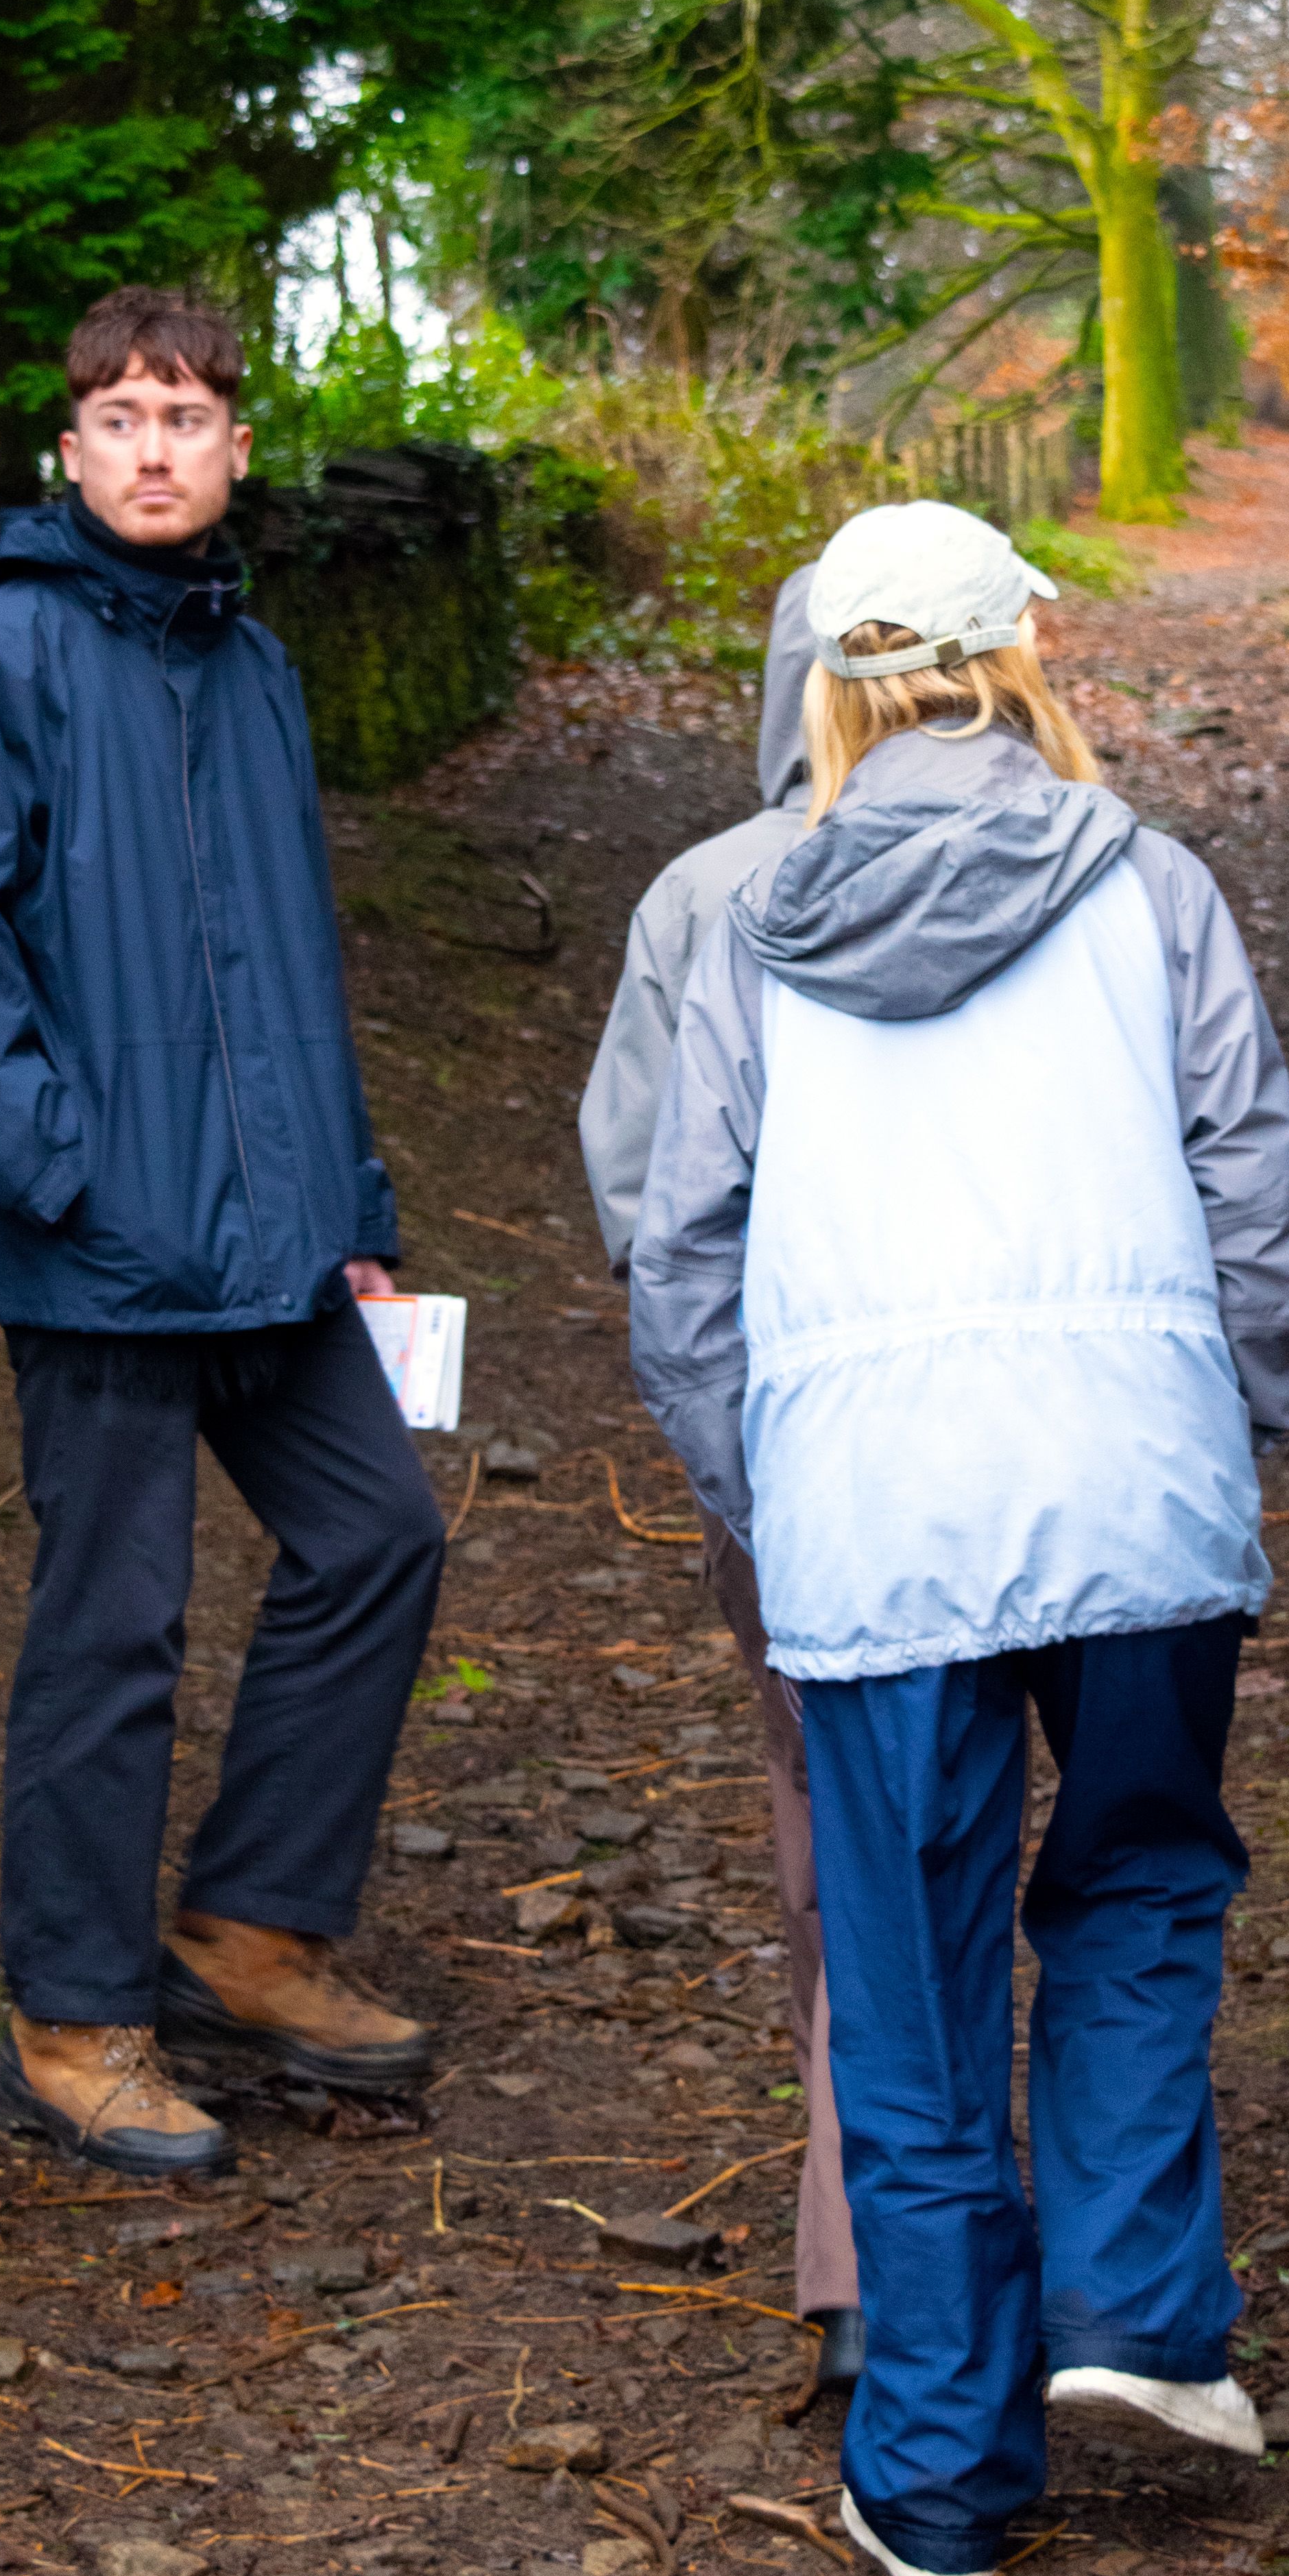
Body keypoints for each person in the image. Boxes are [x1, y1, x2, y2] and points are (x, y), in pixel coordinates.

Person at [628, 502, 1289, 2576]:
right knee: (1136, 1886)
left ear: (827, 684)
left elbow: (686, 1255)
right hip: (1135, 1491)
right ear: (1030, 658)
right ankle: (1137, 2320)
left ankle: (934, 2478)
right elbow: (1255, 1191)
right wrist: (1230, 1427)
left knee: (914, 1985)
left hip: (876, 1522)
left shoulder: (750, 919)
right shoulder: (1157, 889)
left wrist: (763, 1495)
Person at [0, 288, 444, 2180]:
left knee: (377, 1537)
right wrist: (59, 1167)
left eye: (183, 415)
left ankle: (247, 1927)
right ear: (70, 451)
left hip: (271, 1240)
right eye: (116, 418)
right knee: (112, 1627)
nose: (152, 449)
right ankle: (77, 2014)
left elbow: (289, 970)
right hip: (103, 1241)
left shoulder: (253, 667)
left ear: (236, 447)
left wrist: (346, 1205)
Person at [579, 566, 864, 2403]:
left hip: (799, 1427)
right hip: (1049, 1442)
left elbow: (642, 1189)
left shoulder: (705, 897)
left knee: (832, 1811)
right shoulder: (1113, 870)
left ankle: (866, 2251)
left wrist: (733, 1446)